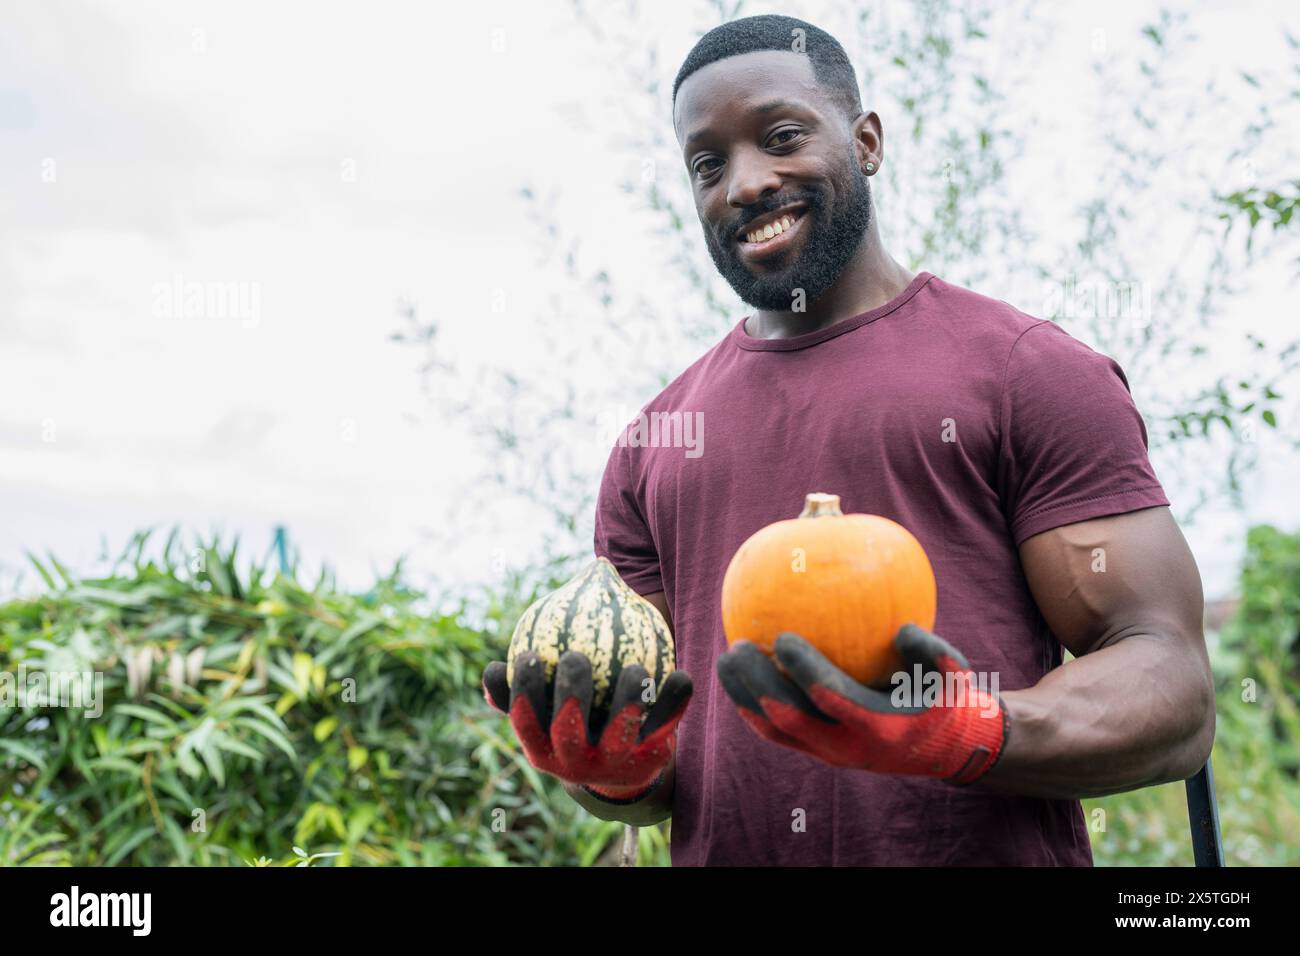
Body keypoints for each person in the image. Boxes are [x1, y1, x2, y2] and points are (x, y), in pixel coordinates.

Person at [481, 13, 1214, 866]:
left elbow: (1171, 688)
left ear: (865, 140)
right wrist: (613, 771)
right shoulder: (653, 445)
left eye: (781, 136)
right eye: (708, 164)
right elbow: (670, 765)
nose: (745, 183)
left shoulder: (1027, 372)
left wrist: (963, 728)